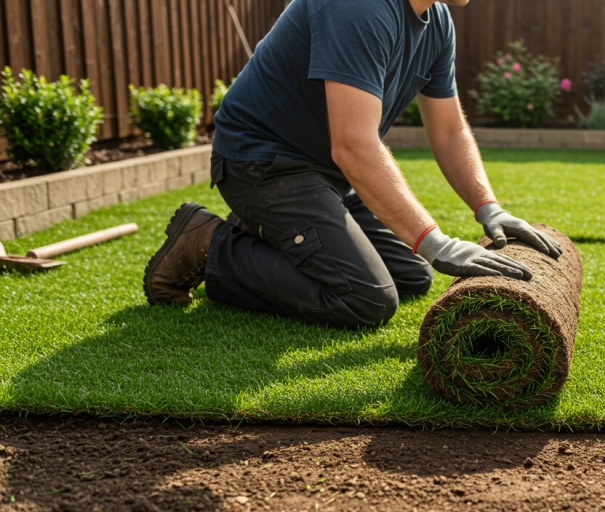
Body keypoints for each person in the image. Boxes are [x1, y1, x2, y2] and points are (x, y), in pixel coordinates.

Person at [143, 0, 560, 328]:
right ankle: (208, 242)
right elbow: (354, 146)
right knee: (366, 299)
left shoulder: (437, 22)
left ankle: (274, 230)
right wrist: (439, 243)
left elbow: (449, 130)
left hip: (326, 174)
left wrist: (489, 208)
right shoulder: (358, 6)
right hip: (263, 163)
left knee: (413, 275)